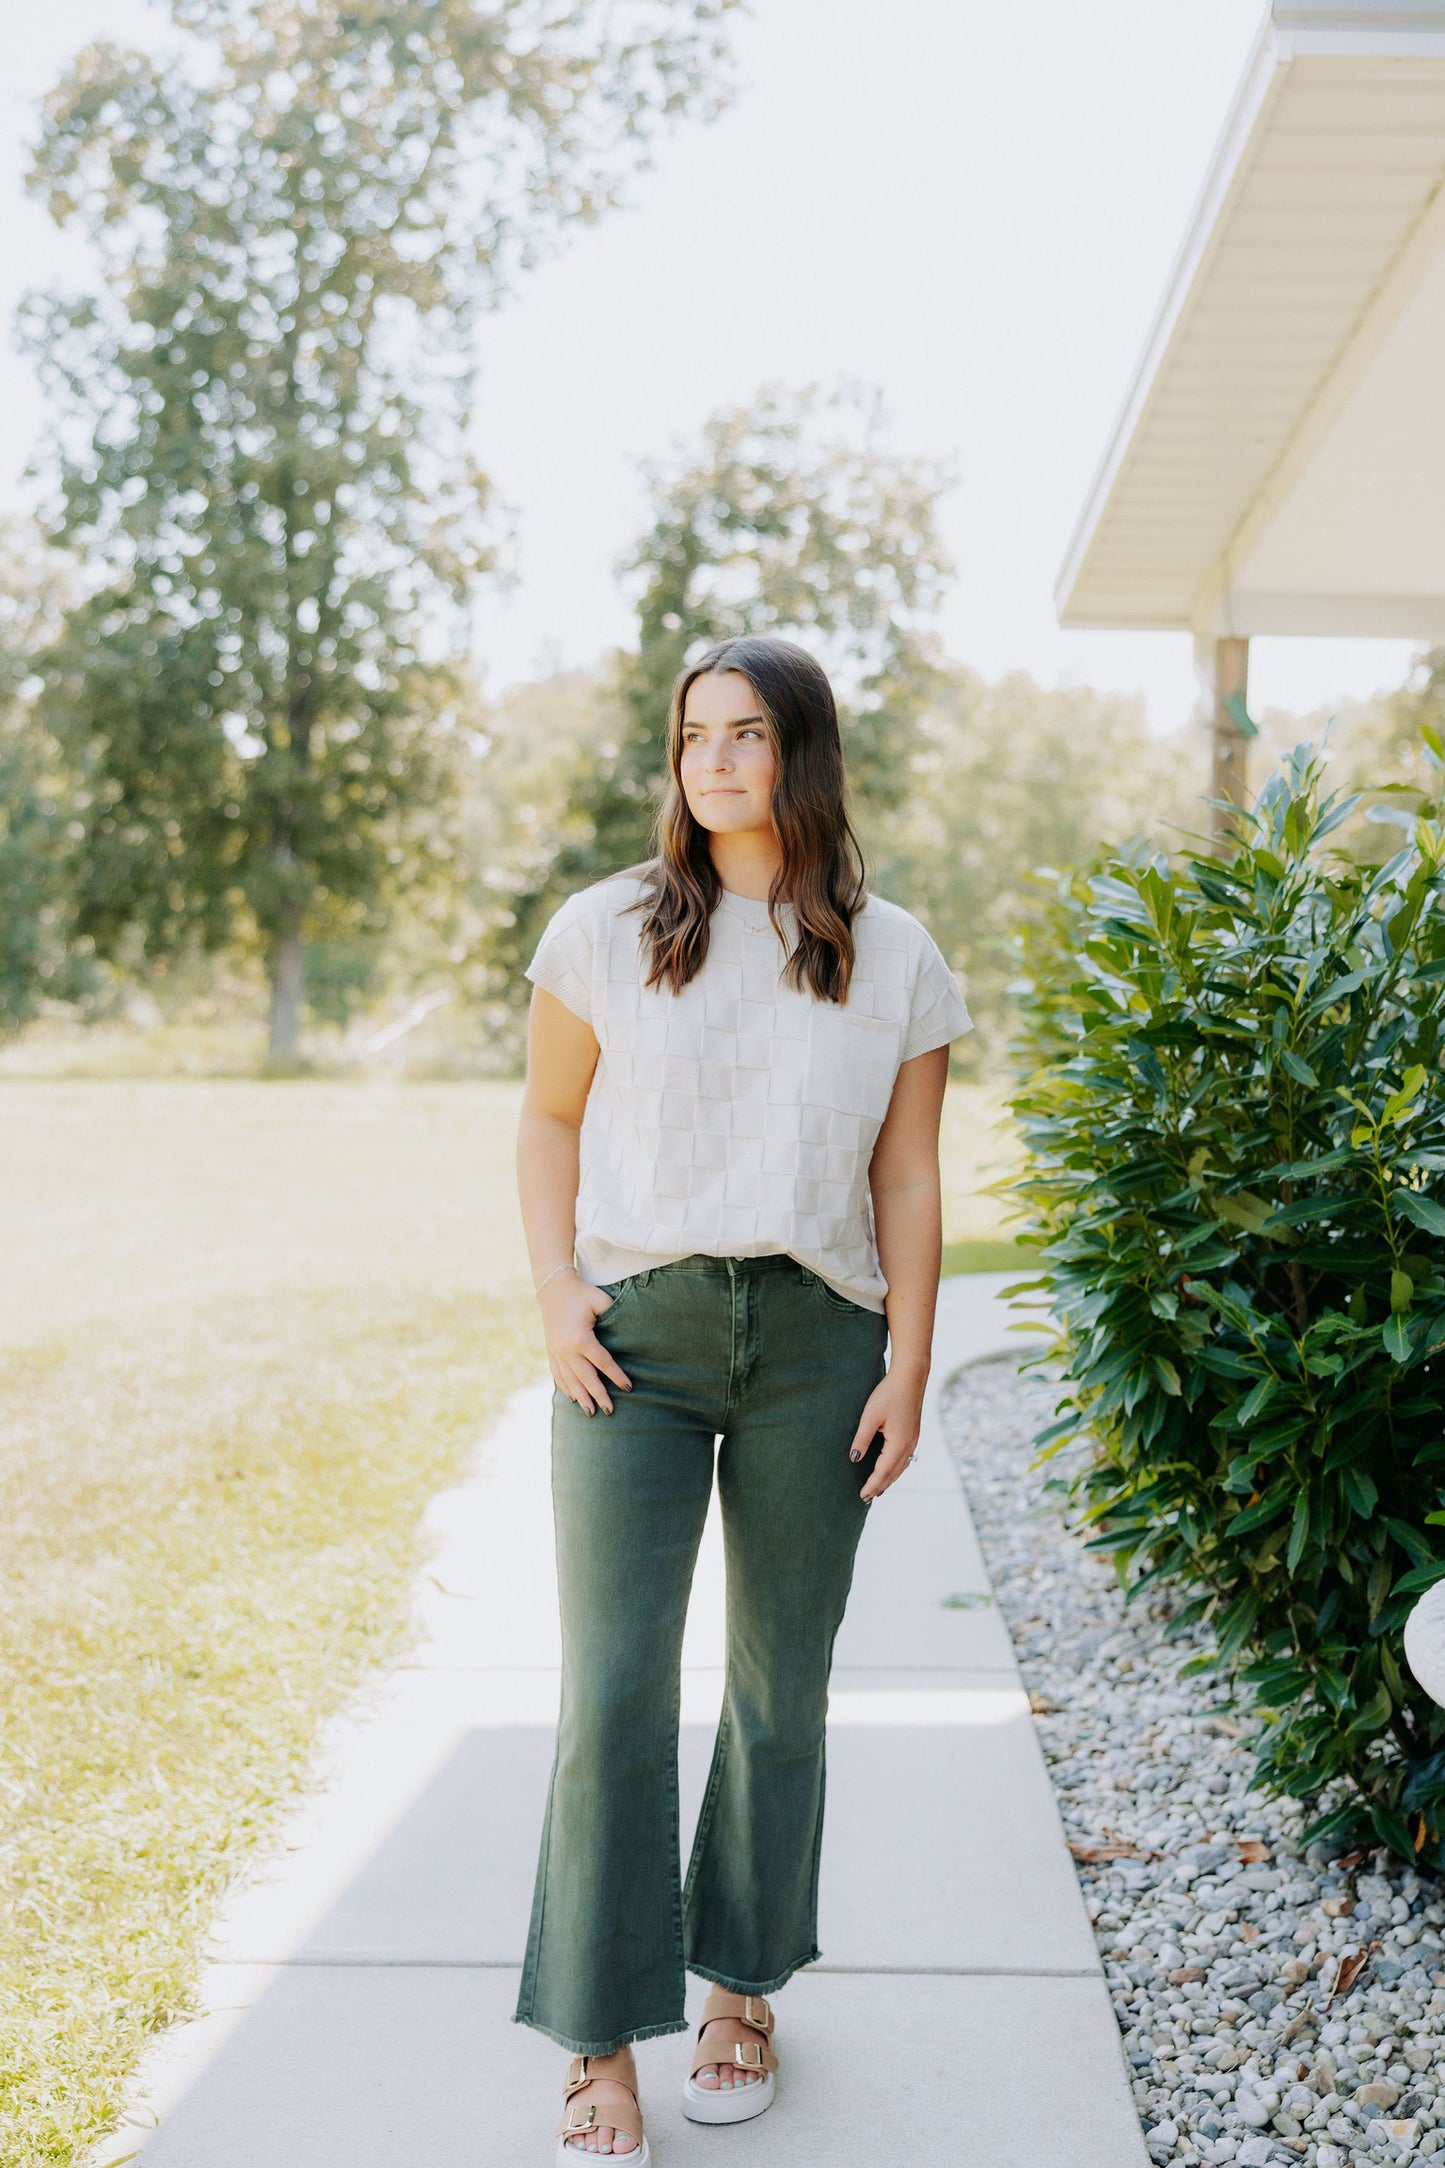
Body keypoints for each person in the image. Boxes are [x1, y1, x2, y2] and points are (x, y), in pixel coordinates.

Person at [513, 633, 971, 2161]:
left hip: (816, 1345)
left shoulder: (891, 951)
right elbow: (546, 1121)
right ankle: (597, 2044)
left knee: (780, 1688)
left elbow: (905, 1171)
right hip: (632, 1345)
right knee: (613, 1693)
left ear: (803, 755)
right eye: (694, 733)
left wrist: (908, 1359)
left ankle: (739, 1997)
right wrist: (557, 1291)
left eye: (748, 732)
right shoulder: (606, 929)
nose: (713, 758)